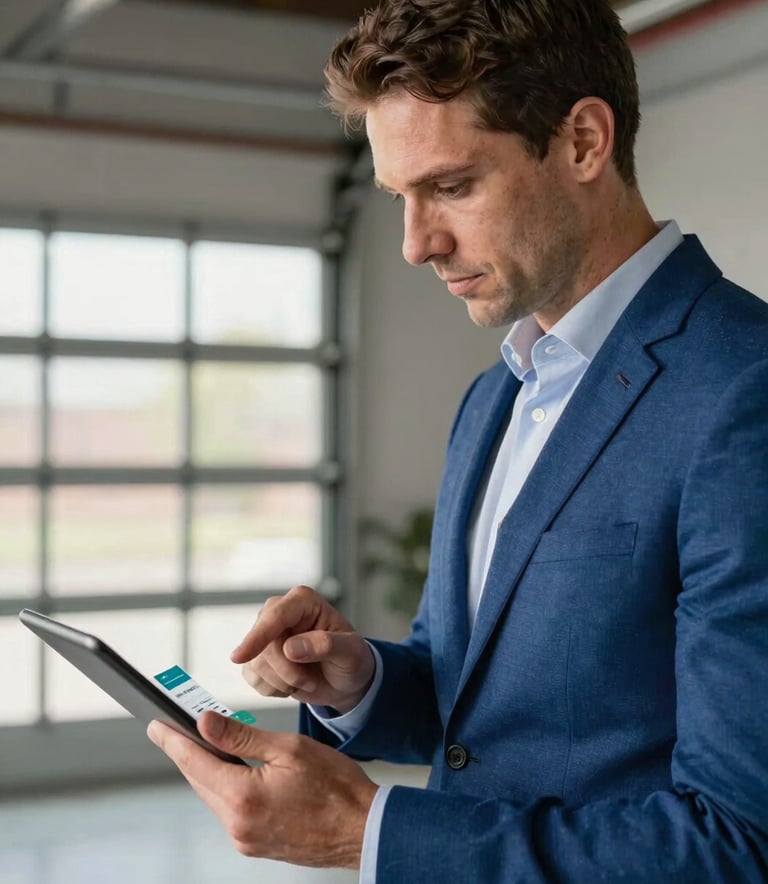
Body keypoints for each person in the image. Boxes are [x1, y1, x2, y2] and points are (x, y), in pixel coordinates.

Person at [148, 0, 768, 879]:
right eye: (401, 197)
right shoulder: (496, 397)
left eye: (450, 186)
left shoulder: (746, 392)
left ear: (585, 142)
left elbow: (740, 846)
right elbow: (476, 704)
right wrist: (361, 681)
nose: (414, 244)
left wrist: (368, 833)